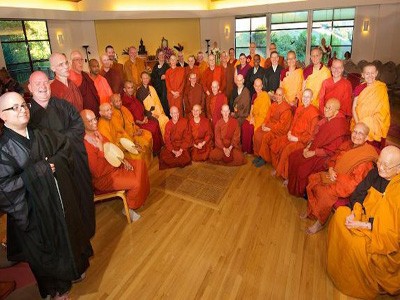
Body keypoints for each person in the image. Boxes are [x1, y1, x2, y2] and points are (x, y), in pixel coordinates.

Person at [0, 92, 92, 299]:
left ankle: (71, 273)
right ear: (2, 116)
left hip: (56, 201)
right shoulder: (3, 149)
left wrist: (54, 164)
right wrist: (40, 172)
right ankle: (56, 290)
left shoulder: (40, 133)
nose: (22, 109)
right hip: (32, 210)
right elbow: (3, 187)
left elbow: (64, 148)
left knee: (65, 237)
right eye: (13, 107)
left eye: (23, 105)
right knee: (44, 253)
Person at [28, 71, 96, 238]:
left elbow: (78, 127)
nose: (43, 87)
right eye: (38, 84)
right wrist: (61, 140)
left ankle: (86, 234)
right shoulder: (27, 115)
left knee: (82, 196)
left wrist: (54, 140)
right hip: (52, 169)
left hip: (74, 161)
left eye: (45, 82)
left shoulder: (63, 105)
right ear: (30, 88)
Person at [327, 145, 400, 299]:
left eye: (386, 166)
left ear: (398, 169)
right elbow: (358, 193)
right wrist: (355, 213)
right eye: (379, 162)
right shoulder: (375, 173)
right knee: (340, 215)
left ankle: (349, 281)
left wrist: (364, 225)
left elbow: (392, 230)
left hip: (380, 234)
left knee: (356, 245)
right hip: (362, 216)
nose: (380, 168)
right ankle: (337, 267)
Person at [303, 123, 378, 234]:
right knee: (312, 179)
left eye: (360, 133)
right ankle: (312, 211)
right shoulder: (348, 144)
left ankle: (320, 222)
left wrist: (334, 179)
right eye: (355, 132)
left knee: (324, 194)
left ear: (366, 137)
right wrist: (331, 169)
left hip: (342, 185)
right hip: (333, 174)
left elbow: (354, 183)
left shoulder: (365, 159)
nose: (356, 135)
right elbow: (334, 157)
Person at [81, 109, 150, 222]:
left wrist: (123, 160)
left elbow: (112, 148)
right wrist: (101, 150)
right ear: (82, 123)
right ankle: (129, 207)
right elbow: (97, 172)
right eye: (90, 121)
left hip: (116, 164)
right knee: (136, 182)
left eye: (95, 119)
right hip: (105, 178)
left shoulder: (97, 133)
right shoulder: (86, 145)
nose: (94, 122)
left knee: (141, 164)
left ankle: (138, 198)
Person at [287, 98, 349, 197]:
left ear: (336, 111)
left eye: (329, 108)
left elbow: (332, 150)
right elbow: (314, 137)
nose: (326, 110)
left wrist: (314, 152)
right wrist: (308, 147)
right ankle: (293, 184)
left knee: (302, 167)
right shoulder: (325, 120)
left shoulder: (339, 126)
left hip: (326, 156)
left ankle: (302, 191)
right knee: (293, 156)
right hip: (314, 148)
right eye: (326, 107)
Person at [270, 89, 320, 180]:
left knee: (287, 150)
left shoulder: (314, 113)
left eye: (308, 97)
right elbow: (293, 122)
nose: (305, 99)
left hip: (301, 141)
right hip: (292, 135)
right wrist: (289, 132)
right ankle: (278, 169)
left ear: (312, 98)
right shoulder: (300, 108)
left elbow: (311, 136)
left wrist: (297, 139)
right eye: (304, 96)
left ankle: (286, 176)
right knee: (277, 143)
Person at [97, 99, 152, 167]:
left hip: (125, 143)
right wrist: (126, 149)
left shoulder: (112, 118)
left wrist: (132, 143)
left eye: (110, 109)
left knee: (143, 145)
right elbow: (111, 146)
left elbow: (122, 131)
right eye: (107, 111)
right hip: (118, 151)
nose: (110, 112)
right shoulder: (102, 126)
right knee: (138, 157)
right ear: (100, 113)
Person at [351, 63, 390, 150]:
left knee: (370, 148)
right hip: (359, 120)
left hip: (375, 123)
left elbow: (384, 110)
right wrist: (358, 123)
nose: (370, 76)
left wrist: (369, 122)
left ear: (376, 73)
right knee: (358, 141)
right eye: (367, 73)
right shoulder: (359, 88)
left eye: (372, 73)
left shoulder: (381, 87)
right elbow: (354, 107)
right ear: (363, 75)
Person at [253, 88, 292, 167]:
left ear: (283, 96)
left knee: (265, 136)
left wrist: (270, 129)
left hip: (278, 129)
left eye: (280, 95)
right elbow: (268, 117)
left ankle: (264, 158)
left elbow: (283, 125)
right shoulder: (273, 105)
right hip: (269, 125)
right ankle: (259, 155)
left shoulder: (286, 109)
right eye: (276, 94)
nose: (278, 96)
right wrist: (264, 124)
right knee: (257, 133)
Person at [121, 81, 163, 154]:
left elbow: (141, 108)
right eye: (128, 88)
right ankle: (155, 151)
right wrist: (141, 122)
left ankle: (159, 146)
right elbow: (129, 118)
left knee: (156, 122)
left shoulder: (133, 97)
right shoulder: (124, 102)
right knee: (153, 128)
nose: (131, 89)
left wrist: (146, 117)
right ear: (124, 90)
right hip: (137, 124)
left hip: (143, 118)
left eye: (132, 87)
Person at [241, 78, 271, 154]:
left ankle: (251, 150)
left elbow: (266, 112)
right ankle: (246, 149)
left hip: (262, 118)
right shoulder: (254, 95)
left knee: (251, 127)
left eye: (259, 86)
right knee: (245, 125)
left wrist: (254, 120)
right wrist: (251, 118)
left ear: (262, 86)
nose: (257, 88)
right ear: (254, 86)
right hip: (253, 117)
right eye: (256, 86)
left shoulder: (265, 95)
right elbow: (251, 110)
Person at [136, 71, 169, 138]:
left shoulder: (152, 88)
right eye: (143, 78)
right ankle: (163, 138)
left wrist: (159, 112)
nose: (145, 80)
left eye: (147, 78)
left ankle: (167, 137)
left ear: (149, 79)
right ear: (141, 79)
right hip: (148, 114)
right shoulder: (139, 92)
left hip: (157, 110)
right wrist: (151, 114)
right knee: (160, 121)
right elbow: (140, 108)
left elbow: (157, 102)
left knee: (166, 118)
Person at [69, 50, 100, 115]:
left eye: (81, 59)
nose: (80, 62)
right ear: (71, 62)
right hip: (83, 113)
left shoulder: (85, 75)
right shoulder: (69, 77)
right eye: (77, 59)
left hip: (95, 110)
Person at [151, 50, 170, 117]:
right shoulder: (155, 67)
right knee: (159, 104)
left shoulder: (167, 66)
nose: (161, 56)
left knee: (166, 104)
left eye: (162, 54)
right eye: (160, 55)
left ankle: (167, 117)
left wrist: (166, 77)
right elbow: (152, 78)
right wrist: (160, 78)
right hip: (158, 90)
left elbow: (171, 76)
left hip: (166, 89)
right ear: (157, 56)